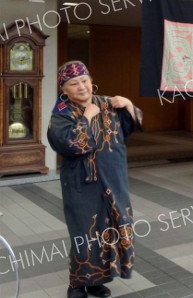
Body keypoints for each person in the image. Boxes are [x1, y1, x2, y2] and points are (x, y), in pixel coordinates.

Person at [47, 61, 142, 298]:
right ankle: (78, 284)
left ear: (91, 80)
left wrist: (129, 105)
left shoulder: (108, 103)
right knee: (85, 233)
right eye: (73, 83)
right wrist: (87, 117)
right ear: (64, 89)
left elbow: (131, 126)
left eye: (84, 80)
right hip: (82, 185)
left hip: (114, 180)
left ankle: (98, 280)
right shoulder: (61, 113)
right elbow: (69, 144)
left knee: (110, 230)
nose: (81, 87)